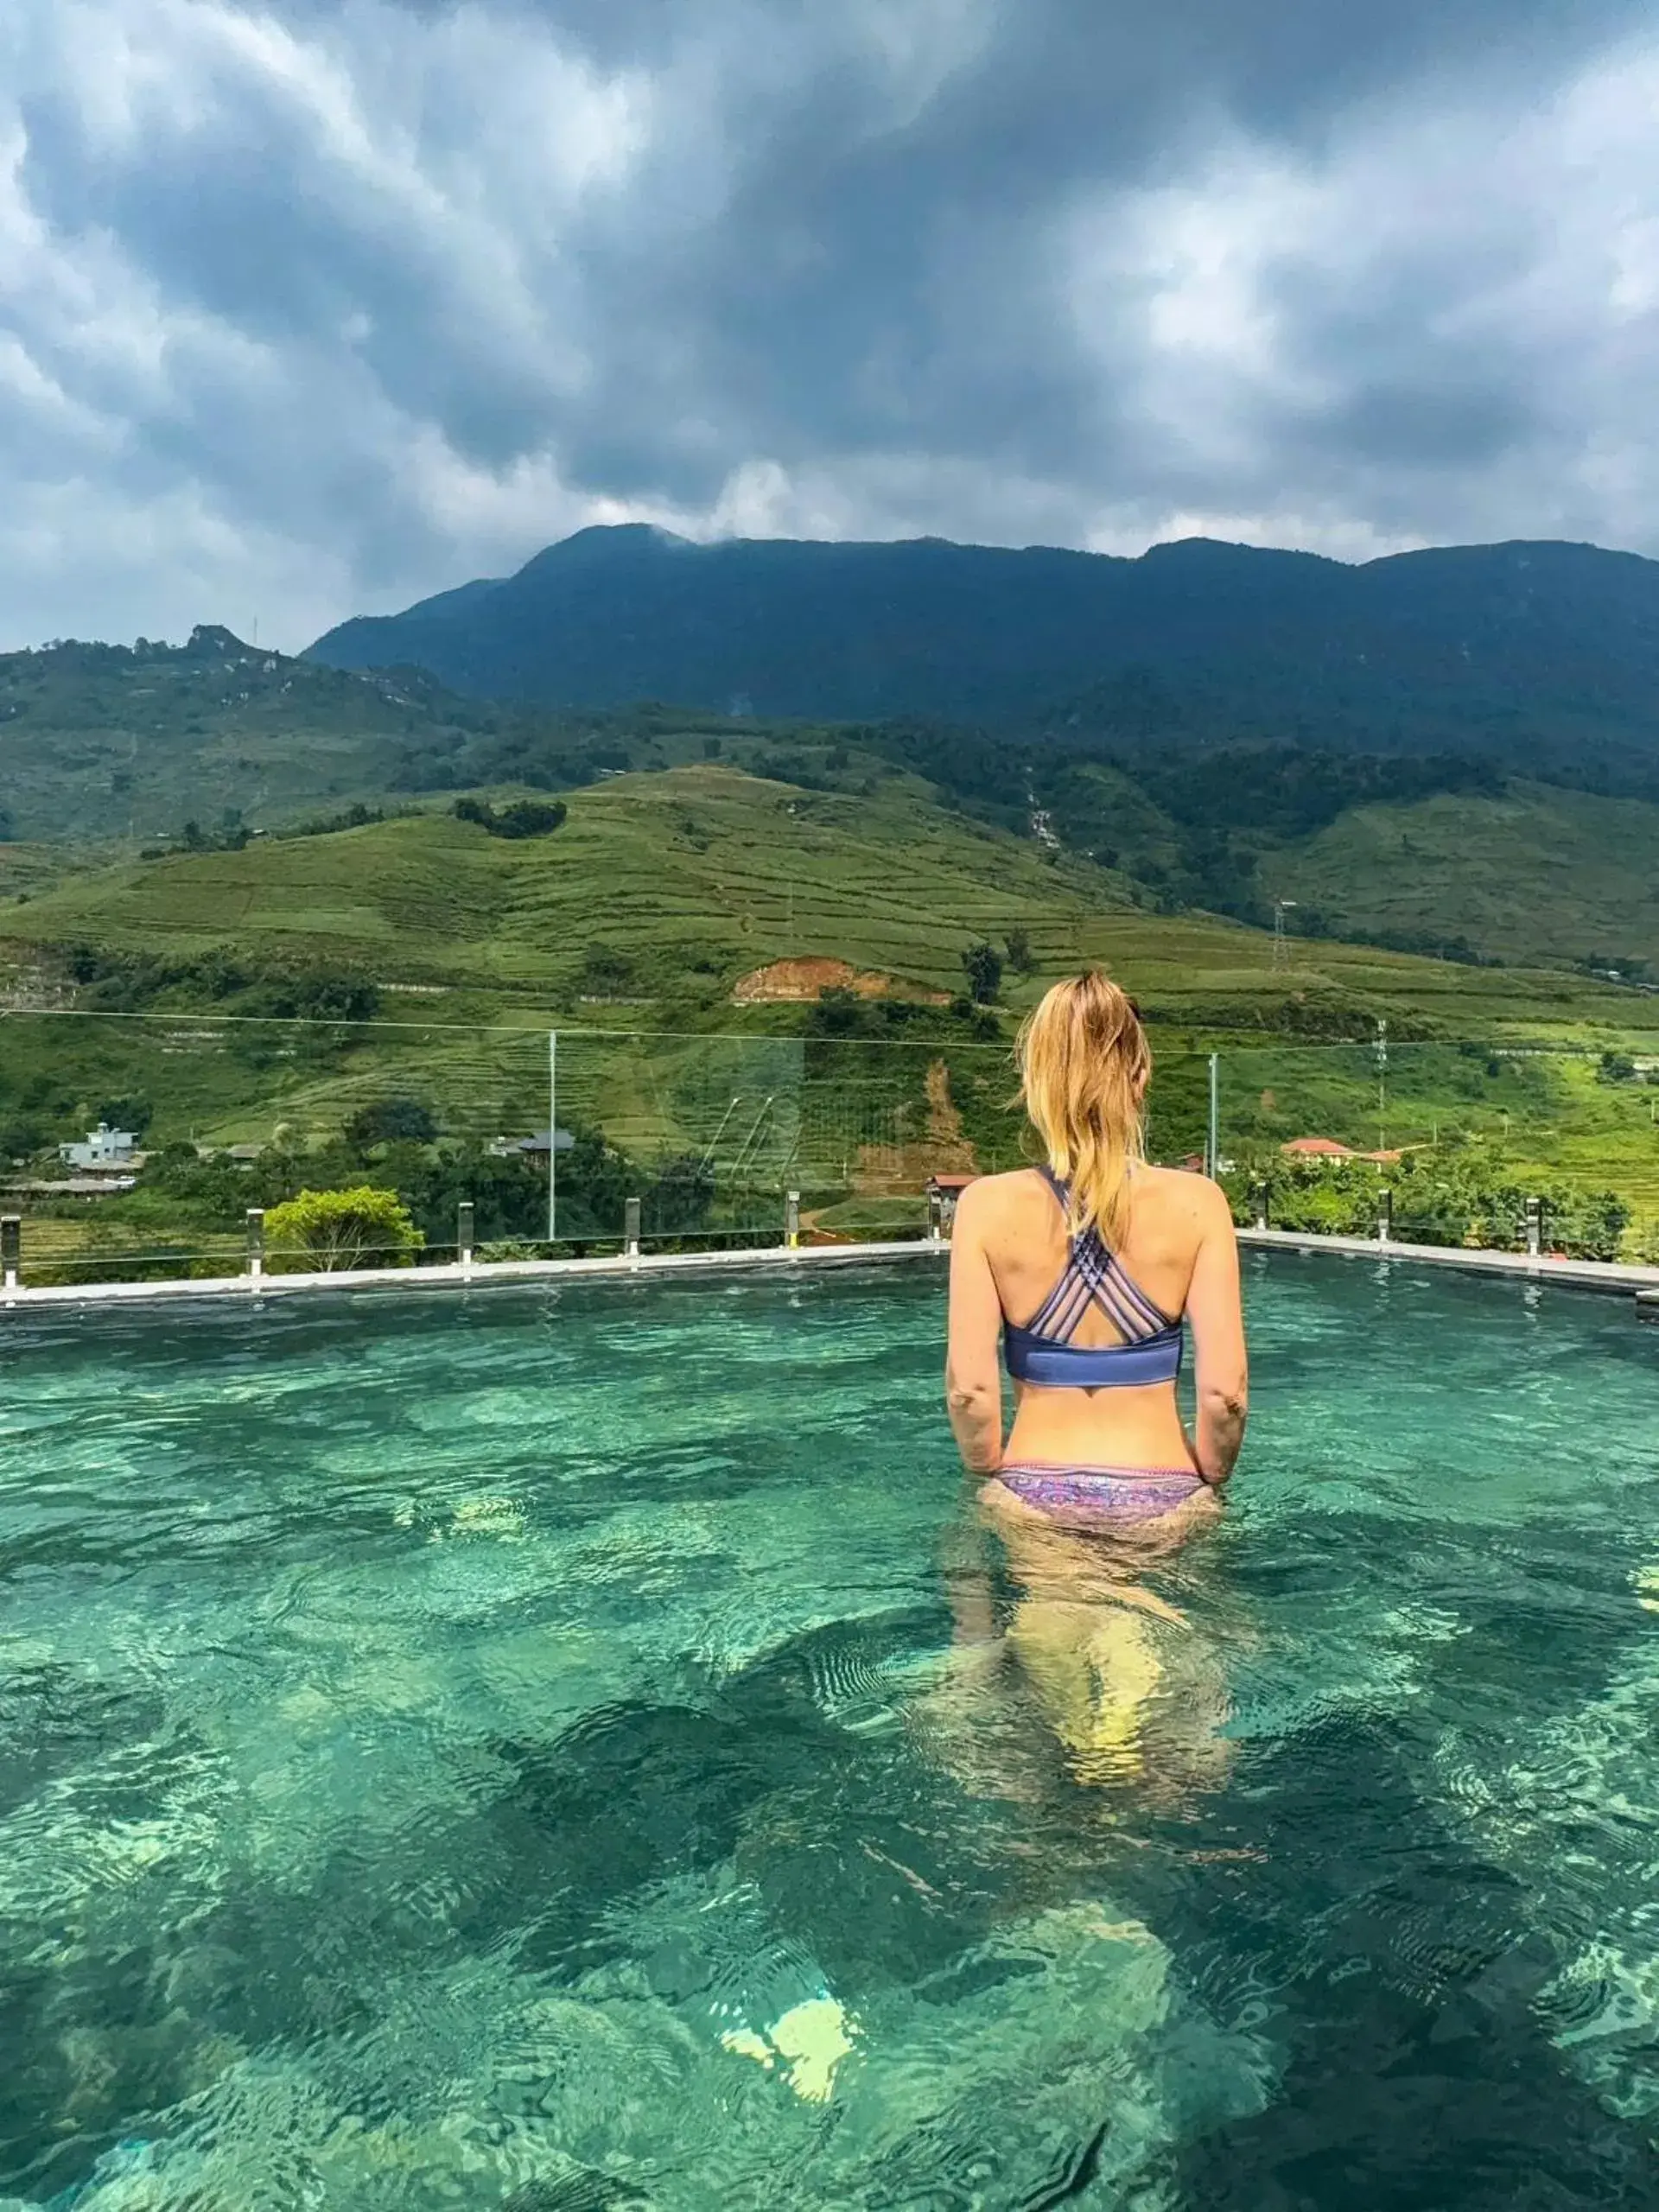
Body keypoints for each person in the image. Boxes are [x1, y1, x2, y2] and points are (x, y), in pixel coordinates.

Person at [945, 969, 1248, 1532]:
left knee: (1028, 1622)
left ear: (1037, 1078)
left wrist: (994, 1479)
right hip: (1165, 1487)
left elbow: (970, 1392)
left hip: (1033, 1488)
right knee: (1166, 1622)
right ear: (1141, 1073)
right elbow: (1225, 1395)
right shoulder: (1199, 1203)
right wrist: (1205, 1485)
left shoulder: (985, 1206)